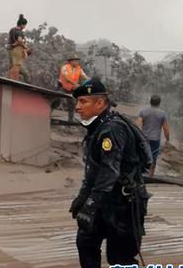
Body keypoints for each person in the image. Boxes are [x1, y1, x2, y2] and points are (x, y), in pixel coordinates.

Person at [69, 79, 151, 268]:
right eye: (78, 102)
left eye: (83, 101)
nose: (77, 107)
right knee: (86, 243)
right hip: (104, 199)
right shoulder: (96, 127)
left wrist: (90, 204)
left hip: (124, 204)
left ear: (99, 103)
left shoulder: (111, 129)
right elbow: (93, 170)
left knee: (120, 258)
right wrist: (83, 197)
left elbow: (109, 170)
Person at [137, 95, 170, 177]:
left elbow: (138, 125)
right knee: (153, 157)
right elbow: (166, 129)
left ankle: (140, 174)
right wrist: (167, 139)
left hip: (144, 138)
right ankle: (150, 175)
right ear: (159, 103)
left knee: (142, 155)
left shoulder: (143, 111)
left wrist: (137, 136)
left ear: (150, 102)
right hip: (155, 139)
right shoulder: (163, 114)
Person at [58, 55, 89, 122]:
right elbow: (66, 77)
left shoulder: (79, 68)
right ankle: (47, 114)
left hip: (72, 89)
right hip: (62, 87)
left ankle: (70, 119)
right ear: (70, 61)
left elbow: (84, 76)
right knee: (56, 99)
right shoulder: (65, 67)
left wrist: (91, 81)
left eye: (77, 60)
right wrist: (75, 83)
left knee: (71, 103)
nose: (76, 62)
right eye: (74, 60)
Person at [7, 14, 30, 82]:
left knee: (11, 67)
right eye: (24, 25)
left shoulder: (12, 29)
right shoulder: (20, 32)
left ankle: (10, 80)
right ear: (21, 24)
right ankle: (15, 82)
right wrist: (25, 47)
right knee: (16, 67)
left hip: (10, 50)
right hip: (16, 50)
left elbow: (10, 40)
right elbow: (20, 41)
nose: (24, 26)